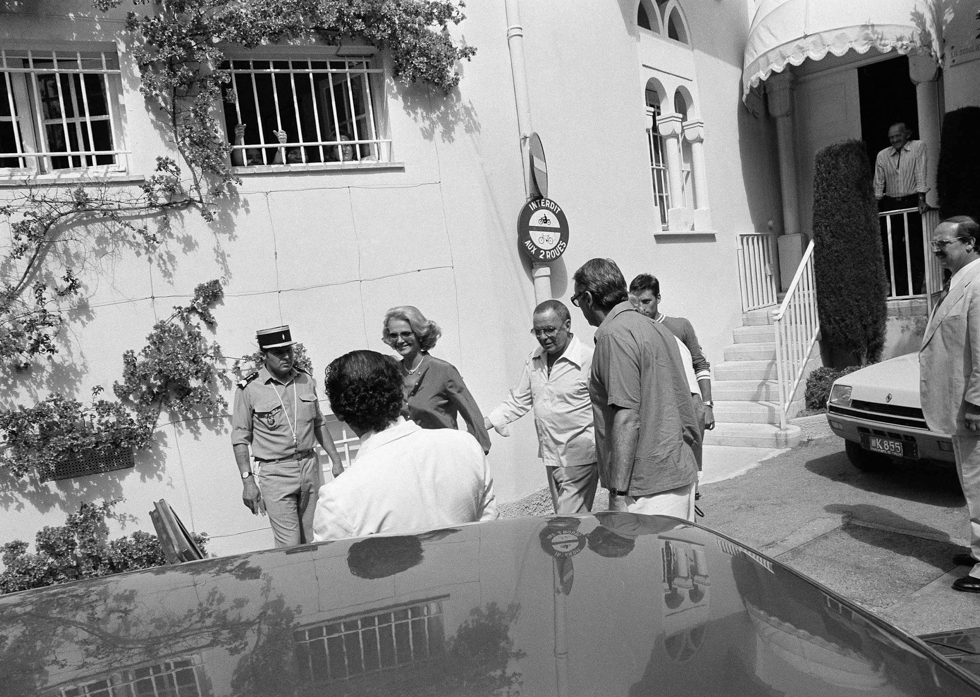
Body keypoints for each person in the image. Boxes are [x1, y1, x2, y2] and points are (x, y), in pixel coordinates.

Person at [313, 350, 499, 541]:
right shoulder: (466, 446)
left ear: (337, 412)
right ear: (403, 393)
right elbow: (489, 533)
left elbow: (331, 560)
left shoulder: (337, 499)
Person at [571, 258, 700, 519]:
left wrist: (618, 494)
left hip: (646, 488)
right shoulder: (656, 328)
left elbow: (627, 417)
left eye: (577, 300)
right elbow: (687, 403)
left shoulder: (614, 335)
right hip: (677, 473)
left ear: (588, 298)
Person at [231, 325, 343, 548]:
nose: (286, 357)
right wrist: (247, 481)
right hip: (276, 472)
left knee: (316, 538)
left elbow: (319, 422)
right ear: (264, 355)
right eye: (278, 352)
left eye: (289, 351)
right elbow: (240, 438)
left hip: (309, 466)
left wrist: (336, 460)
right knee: (290, 546)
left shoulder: (305, 380)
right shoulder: (249, 389)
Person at [484, 300, 598, 514]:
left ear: (567, 325)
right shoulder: (534, 359)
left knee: (567, 523)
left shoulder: (588, 359)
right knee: (571, 524)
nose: (544, 337)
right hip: (551, 454)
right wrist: (484, 425)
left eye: (549, 330)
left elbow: (603, 405)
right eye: (538, 332)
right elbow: (518, 400)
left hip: (580, 457)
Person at [919, 216, 980, 593]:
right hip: (959, 406)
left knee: (979, 484)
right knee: (972, 482)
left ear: (970, 243)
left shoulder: (978, 283)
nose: (936, 250)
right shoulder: (959, 281)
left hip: (972, 408)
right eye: (934, 244)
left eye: (944, 243)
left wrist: (976, 404)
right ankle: (977, 550)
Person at [628, 273, 715, 472]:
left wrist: (707, 405)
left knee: (691, 467)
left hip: (687, 406)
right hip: (655, 411)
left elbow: (700, 365)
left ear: (658, 298)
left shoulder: (680, 326)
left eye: (646, 301)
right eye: (636, 302)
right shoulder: (633, 331)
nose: (641, 308)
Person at [382, 306, 492, 453]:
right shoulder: (392, 374)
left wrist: (477, 451)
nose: (400, 340)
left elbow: (472, 414)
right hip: (408, 457)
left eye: (406, 334)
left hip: (443, 454)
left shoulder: (443, 371)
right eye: (394, 335)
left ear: (419, 333)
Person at [874, 122, 929, 295]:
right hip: (891, 204)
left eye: (898, 136)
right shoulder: (883, 155)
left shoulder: (918, 147)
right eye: (891, 137)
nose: (894, 140)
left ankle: (915, 288)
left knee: (915, 246)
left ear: (907, 134)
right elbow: (878, 182)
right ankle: (898, 289)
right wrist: (875, 204)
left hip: (911, 201)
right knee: (892, 249)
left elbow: (920, 172)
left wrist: (921, 199)